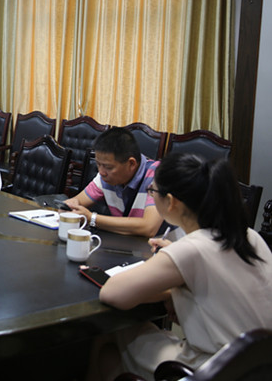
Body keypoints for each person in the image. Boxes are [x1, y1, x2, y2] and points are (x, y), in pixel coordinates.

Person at [86, 154, 272, 381]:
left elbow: (112, 294)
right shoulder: (249, 236)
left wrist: (173, 285)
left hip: (208, 370)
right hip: (256, 367)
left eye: (152, 192)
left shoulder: (190, 250)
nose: (151, 196)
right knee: (112, 355)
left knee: (109, 330)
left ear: (171, 201)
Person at [63, 127, 162, 237]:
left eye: (108, 167)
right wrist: (69, 207)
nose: (101, 172)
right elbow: (77, 201)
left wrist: (92, 218)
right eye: (98, 164)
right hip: (125, 243)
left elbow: (149, 227)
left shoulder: (158, 175)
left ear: (131, 164)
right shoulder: (105, 176)